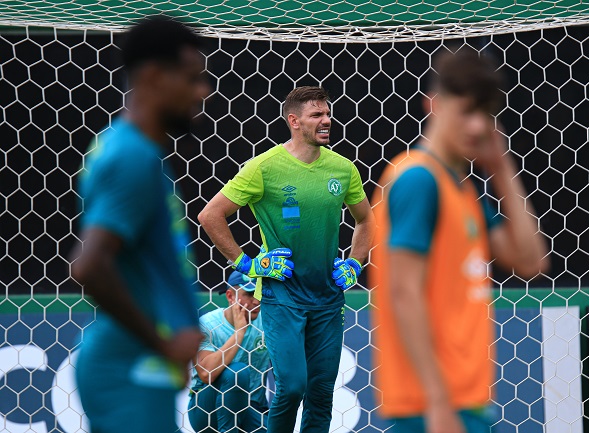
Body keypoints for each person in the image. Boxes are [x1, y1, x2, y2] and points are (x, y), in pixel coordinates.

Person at [370, 49, 550, 433]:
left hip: (466, 401)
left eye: (486, 114)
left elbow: (531, 262)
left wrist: (501, 168)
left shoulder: (462, 188)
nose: (478, 126)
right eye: (466, 111)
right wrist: (437, 402)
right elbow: (403, 293)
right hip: (432, 408)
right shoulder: (418, 180)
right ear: (433, 105)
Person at [198, 86, 375, 432]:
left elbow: (367, 220)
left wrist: (355, 262)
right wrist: (247, 265)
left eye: (328, 113)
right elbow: (210, 215)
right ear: (294, 121)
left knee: (321, 394)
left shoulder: (343, 169)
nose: (327, 120)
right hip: (282, 296)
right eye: (316, 115)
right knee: (292, 386)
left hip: (328, 296)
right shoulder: (263, 168)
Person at [70, 16, 211, 433]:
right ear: (153, 77)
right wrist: (163, 344)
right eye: (192, 78)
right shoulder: (132, 156)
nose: (202, 91)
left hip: (139, 365)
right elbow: (89, 265)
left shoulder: (126, 146)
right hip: (131, 365)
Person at [188, 271, 270, 433]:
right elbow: (206, 373)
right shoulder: (207, 324)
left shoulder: (268, 323)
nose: (256, 301)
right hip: (207, 408)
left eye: (259, 294)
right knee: (237, 372)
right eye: (249, 294)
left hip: (252, 408)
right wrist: (239, 333)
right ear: (230, 296)